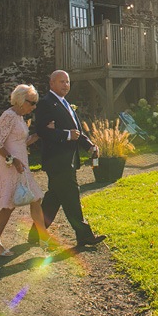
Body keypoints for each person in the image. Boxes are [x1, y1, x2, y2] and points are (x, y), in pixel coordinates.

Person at [27, 71, 107, 247]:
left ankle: (35, 234)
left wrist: (90, 146)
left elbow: (77, 131)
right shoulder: (46, 103)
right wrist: (65, 135)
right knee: (71, 197)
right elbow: (41, 131)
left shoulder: (66, 104)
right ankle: (84, 235)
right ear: (52, 83)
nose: (65, 85)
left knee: (53, 199)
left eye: (68, 82)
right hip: (57, 160)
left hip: (67, 160)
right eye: (61, 82)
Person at [0, 84, 56, 256]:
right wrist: (13, 160)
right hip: (11, 166)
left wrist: (42, 133)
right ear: (19, 100)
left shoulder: (19, 118)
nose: (33, 107)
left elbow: (21, 142)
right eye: (31, 103)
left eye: (35, 104)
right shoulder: (8, 116)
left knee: (35, 199)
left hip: (22, 166)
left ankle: (43, 238)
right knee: (8, 206)